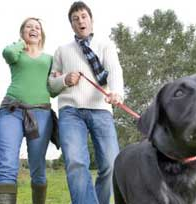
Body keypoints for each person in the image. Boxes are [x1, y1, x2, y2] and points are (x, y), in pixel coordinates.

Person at [48, 1, 124, 204]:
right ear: (71, 25)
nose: (80, 21)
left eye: (83, 16)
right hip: (70, 111)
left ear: (91, 20)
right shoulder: (62, 51)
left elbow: (114, 70)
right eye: (75, 19)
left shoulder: (105, 45)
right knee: (75, 162)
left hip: (101, 109)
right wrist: (64, 79)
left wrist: (116, 92)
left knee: (111, 164)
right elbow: (52, 85)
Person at [0, 17, 59, 204]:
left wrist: (65, 80)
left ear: (42, 33)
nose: (34, 29)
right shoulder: (17, 52)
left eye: (37, 27)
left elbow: (53, 90)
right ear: (22, 32)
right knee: (7, 165)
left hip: (41, 114)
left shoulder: (50, 59)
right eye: (29, 27)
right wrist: (21, 43)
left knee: (37, 167)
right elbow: (8, 53)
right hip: (11, 110)